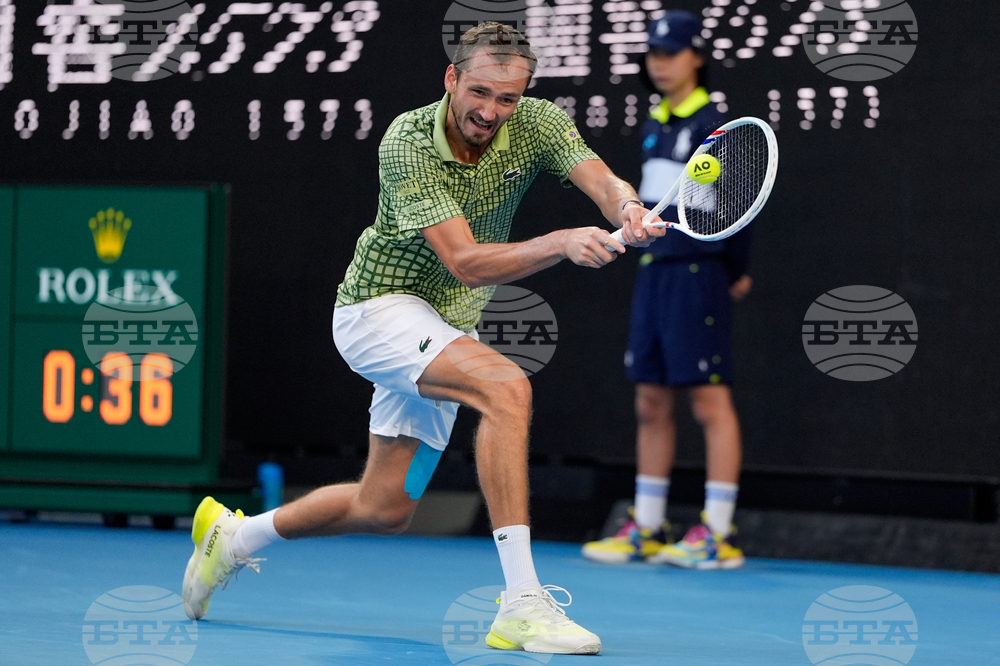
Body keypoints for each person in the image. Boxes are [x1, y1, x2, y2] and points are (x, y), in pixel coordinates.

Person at [181, 22, 665, 655]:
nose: (491, 111)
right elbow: (464, 260)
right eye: (481, 93)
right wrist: (560, 243)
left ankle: (235, 539)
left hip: (444, 324)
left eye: (508, 99)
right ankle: (522, 603)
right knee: (505, 387)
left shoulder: (539, 123)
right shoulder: (408, 140)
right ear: (452, 79)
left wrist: (625, 205)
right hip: (376, 312)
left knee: (384, 507)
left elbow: (601, 181)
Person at [581, 10, 752, 570]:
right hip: (653, 271)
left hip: (697, 273)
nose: (660, 63)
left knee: (708, 399)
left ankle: (717, 533)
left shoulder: (716, 125)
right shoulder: (656, 122)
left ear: (696, 57)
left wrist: (734, 266)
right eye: (653, 55)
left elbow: (735, 206)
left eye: (671, 53)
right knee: (650, 399)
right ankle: (648, 528)